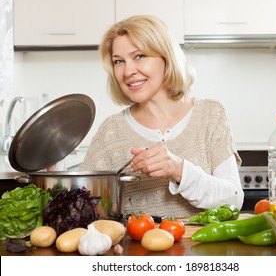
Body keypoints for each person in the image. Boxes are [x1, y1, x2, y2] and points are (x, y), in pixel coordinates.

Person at [80, 15, 244, 217]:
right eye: (118, 61)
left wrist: (178, 170)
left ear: (166, 58)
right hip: (136, 248)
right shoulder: (110, 131)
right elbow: (81, 204)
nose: (128, 71)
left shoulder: (211, 114)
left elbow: (234, 200)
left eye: (139, 56)